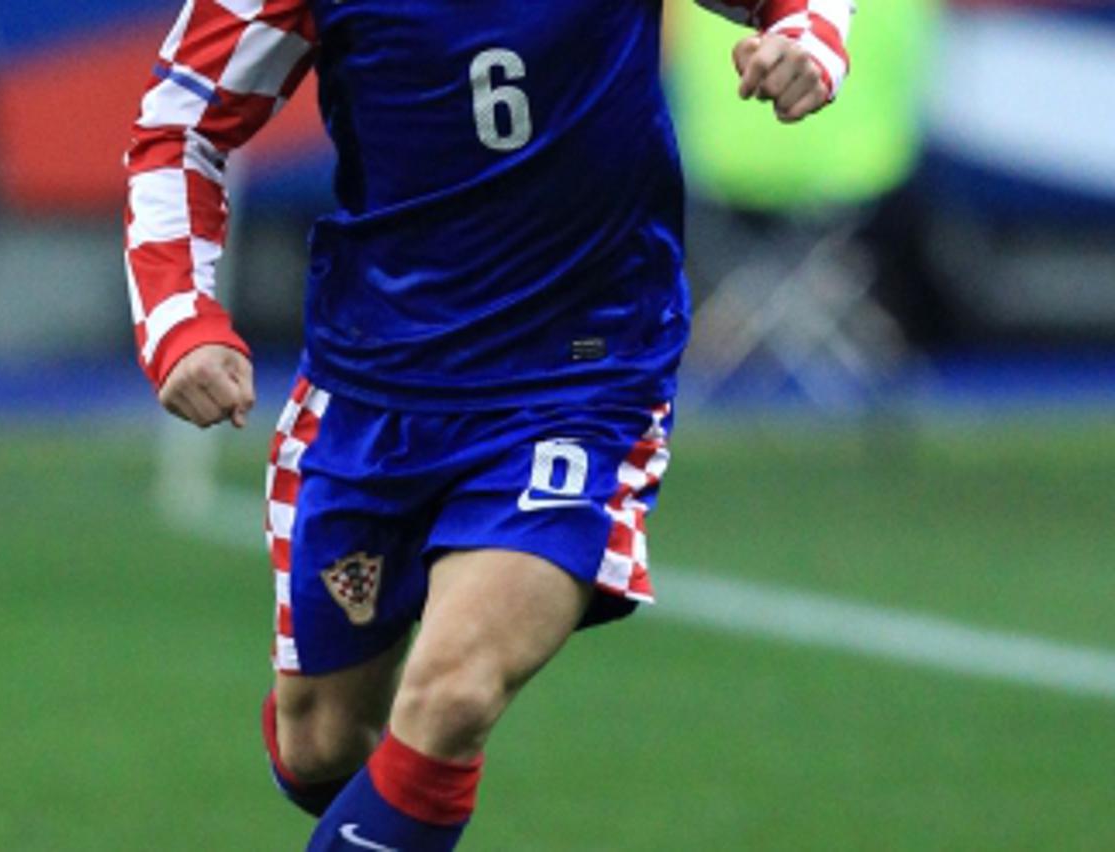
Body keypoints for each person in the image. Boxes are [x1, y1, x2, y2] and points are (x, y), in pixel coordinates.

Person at [124, 1, 853, 848]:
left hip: (581, 376)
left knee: (454, 693)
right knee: (321, 744)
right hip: (377, 386)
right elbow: (181, 120)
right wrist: (179, 320)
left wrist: (810, 41)